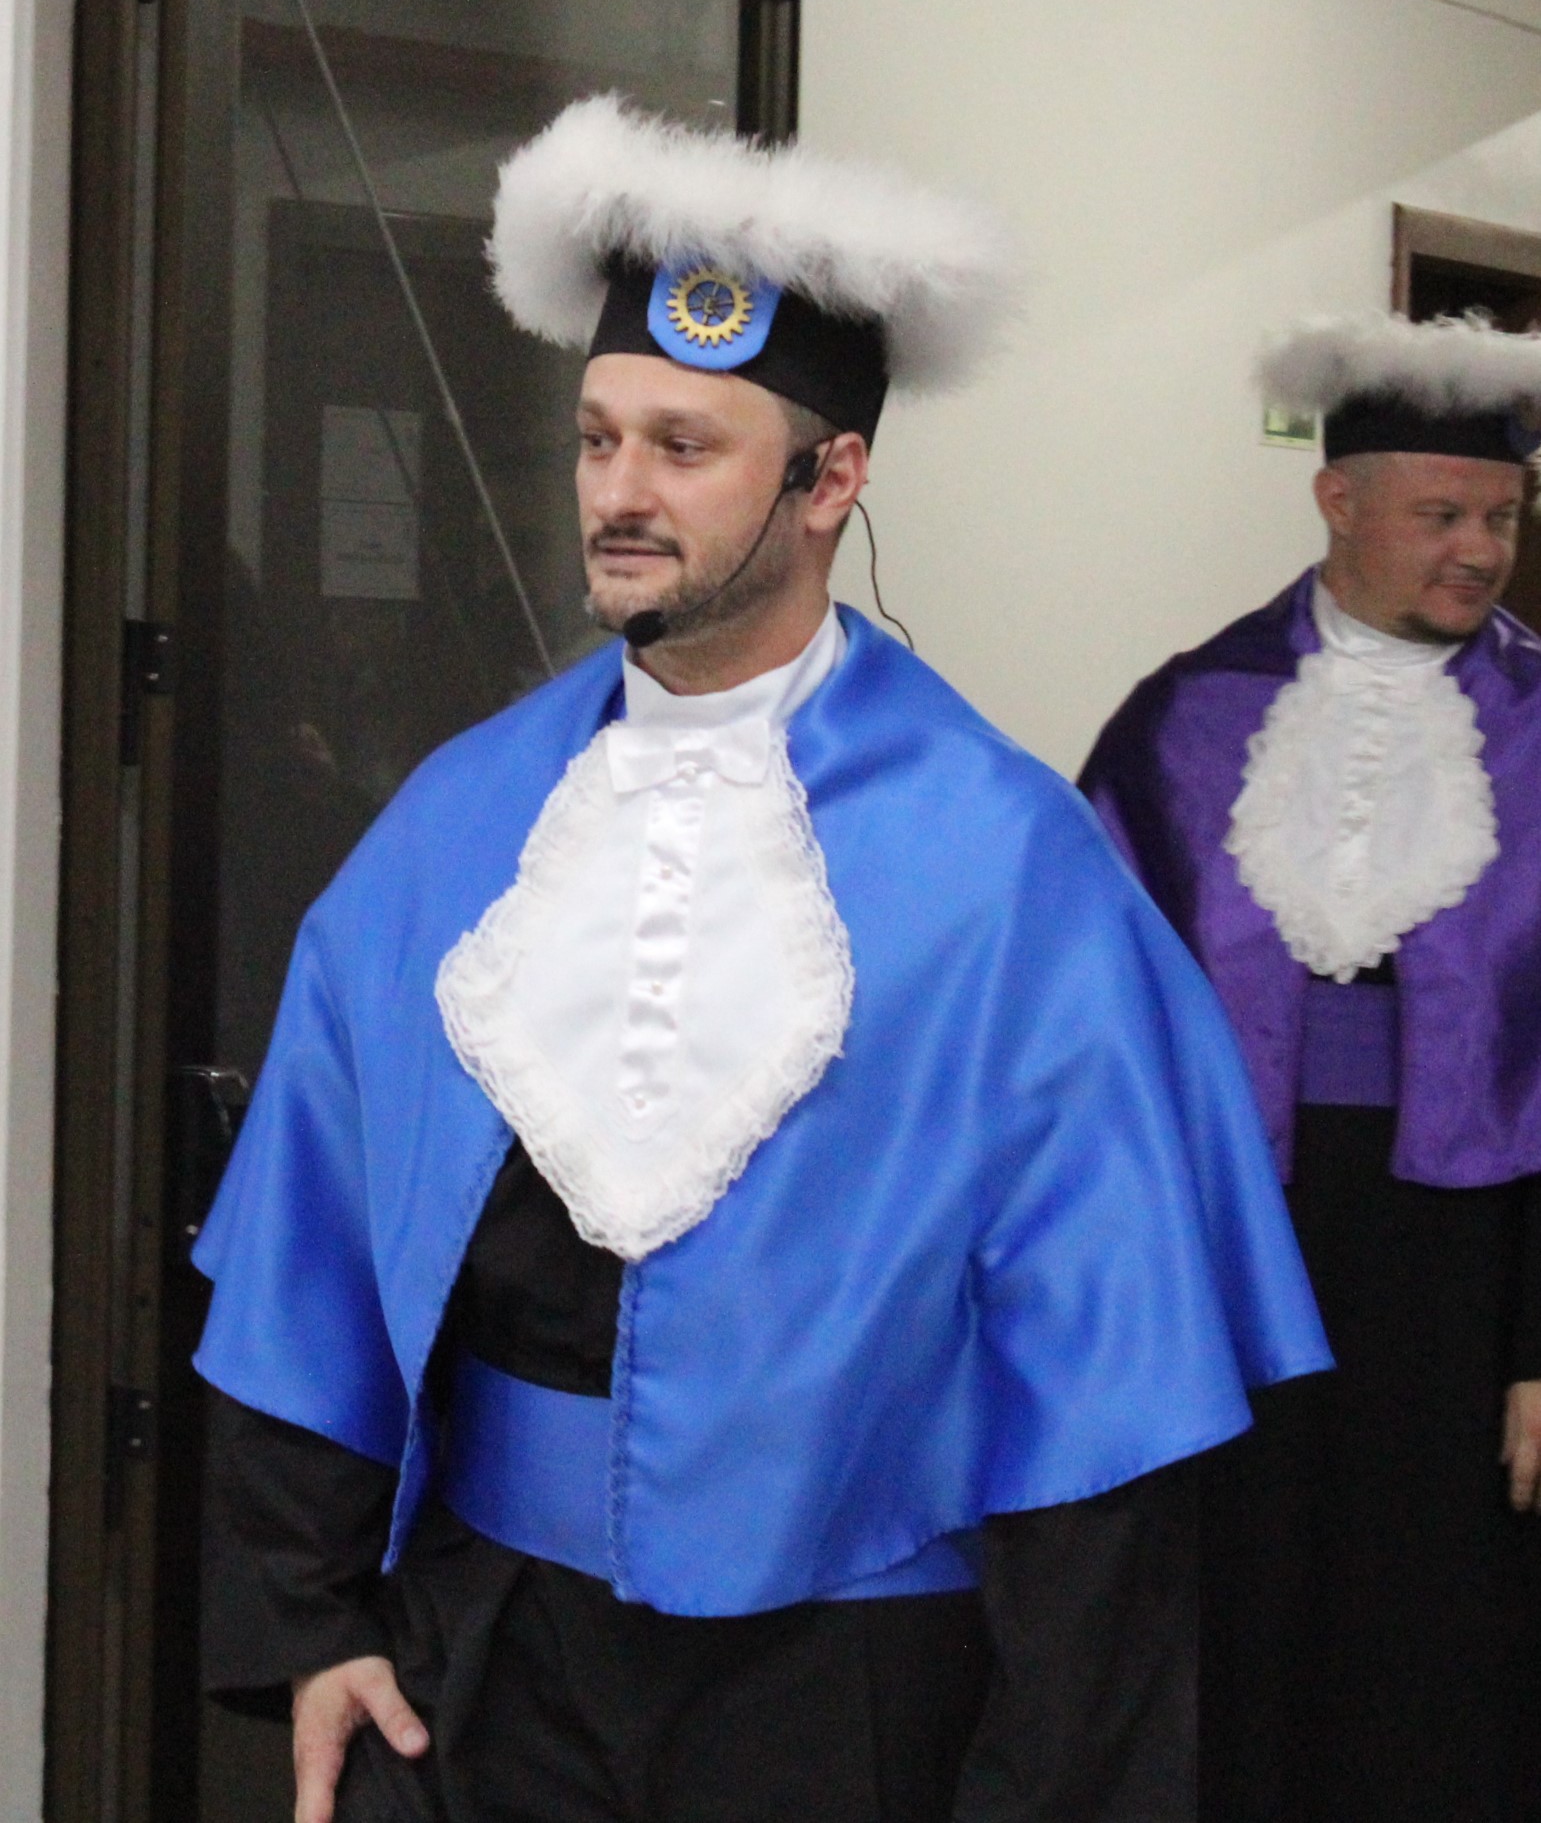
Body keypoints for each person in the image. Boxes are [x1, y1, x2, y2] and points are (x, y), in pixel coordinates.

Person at [194, 95, 1327, 1823]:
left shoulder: (1007, 868)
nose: (617, 494)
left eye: (683, 447)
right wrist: (316, 1619)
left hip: (849, 1685)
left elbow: (1103, 1399)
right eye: (597, 439)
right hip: (490, 1660)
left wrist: (1048, 1781)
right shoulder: (457, 821)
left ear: (829, 481)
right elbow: (311, 1249)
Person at [1080, 309, 1541, 1823]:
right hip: (1237, 1246)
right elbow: (1093, 1045)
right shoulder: (1183, 716)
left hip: (1475, 1261)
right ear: (1337, 501)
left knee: (1445, 1630)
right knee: (1245, 1603)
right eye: (1443, 515)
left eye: (1503, 517)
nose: (1480, 551)